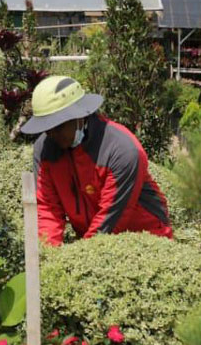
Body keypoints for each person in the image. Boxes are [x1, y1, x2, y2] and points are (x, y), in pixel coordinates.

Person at [21, 75, 173, 246]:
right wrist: (46, 255)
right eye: (46, 128)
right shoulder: (45, 149)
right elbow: (47, 209)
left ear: (79, 117)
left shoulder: (122, 150)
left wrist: (79, 258)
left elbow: (109, 220)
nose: (51, 135)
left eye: (58, 126)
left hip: (145, 240)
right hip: (91, 240)